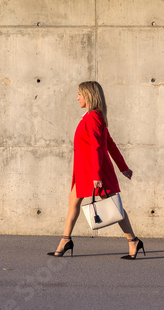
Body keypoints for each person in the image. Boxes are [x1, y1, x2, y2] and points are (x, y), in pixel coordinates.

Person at [47, 81, 145, 260]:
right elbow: (110, 144)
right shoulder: (91, 116)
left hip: (94, 172)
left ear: (89, 96)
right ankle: (65, 240)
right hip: (85, 171)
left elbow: (99, 147)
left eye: (80, 94)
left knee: (114, 207)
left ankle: (133, 241)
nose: (77, 98)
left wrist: (98, 176)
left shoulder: (93, 117)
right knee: (73, 202)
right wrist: (123, 168)